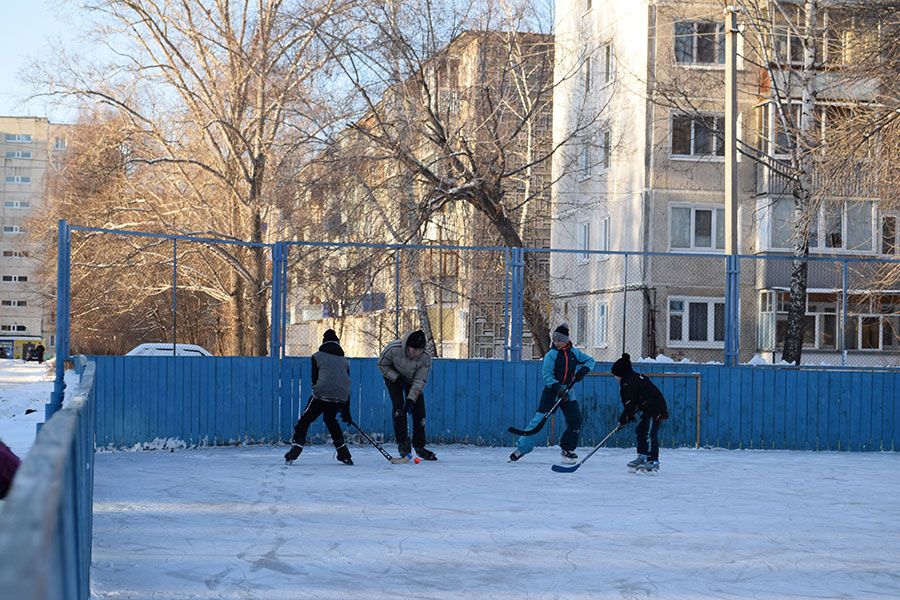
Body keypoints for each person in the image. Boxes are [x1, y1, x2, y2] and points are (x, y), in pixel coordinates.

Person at [509, 323, 595, 464]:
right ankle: (522, 448)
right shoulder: (551, 355)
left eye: (558, 340)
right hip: (552, 391)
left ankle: (567, 449)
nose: (556, 343)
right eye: (554, 340)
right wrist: (557, 388)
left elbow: (590, 361)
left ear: (566, 340)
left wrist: (583, 370)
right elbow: (547, 375)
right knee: (539, 420)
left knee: (575, 419)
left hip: (568, 391)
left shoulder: (574, 353)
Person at [283, 329, 353, 466]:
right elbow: (344, 383)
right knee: (331, 419)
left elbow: (315, 379)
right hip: (341, 396)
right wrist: (346, 412)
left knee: (305, 420)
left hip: (321, 394)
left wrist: (318, 393)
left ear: (323, 343)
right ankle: (344, 454)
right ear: (338, 343)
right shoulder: (345, 361)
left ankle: (296, 447)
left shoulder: (317, 356)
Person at [378, 330, 436, 461]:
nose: (417, 353)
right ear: (407, 346)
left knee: (419, 413)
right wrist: (397, 378)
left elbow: (420, 381)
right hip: (393, 378)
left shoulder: (425, 358)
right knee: (399, 408)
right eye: (414, 350)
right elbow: (382, 365)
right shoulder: (393, 349)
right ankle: (403, 443)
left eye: (419, 350)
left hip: (413, 380)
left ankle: (420, 447)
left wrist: (410, 400)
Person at [611, 353, 669, 473]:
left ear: (620, 373)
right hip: (648, 408)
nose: (615, 378)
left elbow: (630, 405)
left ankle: (653, 460)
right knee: (641, 430)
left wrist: (623, 420)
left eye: (615, 375)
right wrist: (627, 417)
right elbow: (636, 401)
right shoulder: (634, 378)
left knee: (650, 433)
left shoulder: (629, 383)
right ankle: (642, 456)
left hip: (655, 408)